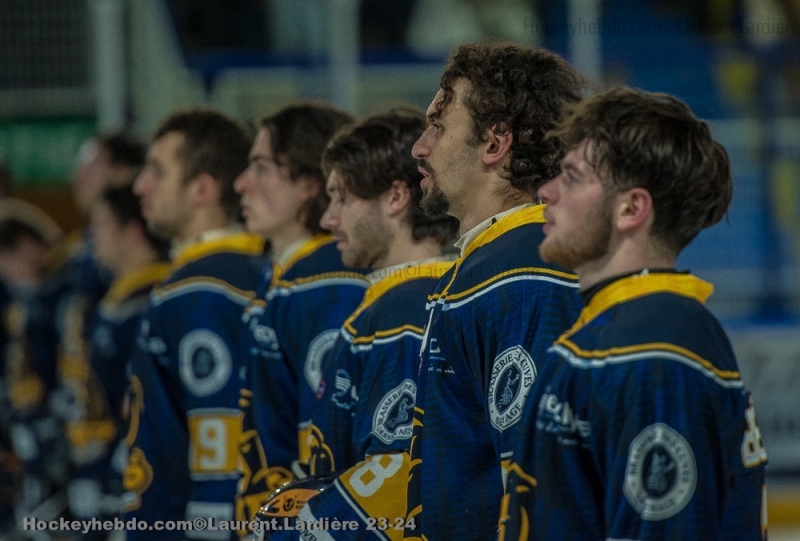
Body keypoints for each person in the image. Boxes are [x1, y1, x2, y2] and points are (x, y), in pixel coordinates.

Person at [502, 87, 768, 540]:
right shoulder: (627, 329)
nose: (546, 192)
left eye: (570, 177)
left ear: (630, 209)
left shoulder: (651, 350)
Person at [404, 42, 586, 541]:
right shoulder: (492, 265)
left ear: (494, 143)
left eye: (438, 127)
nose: (420, 147)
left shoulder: (519, 275)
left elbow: (535, 485)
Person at [264, 109, 459, 541]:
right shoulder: (403, 301)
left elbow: (392, 475)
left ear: (395, 198)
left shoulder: (403, 313)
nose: (328, 218)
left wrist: (298, 533)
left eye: (342, 198)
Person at [123, 109, 264, 540]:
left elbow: (215, 454)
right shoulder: (263, 269)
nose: (139, 186)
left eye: (157, 172)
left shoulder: (195, 291)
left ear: (202, 189)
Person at [233, 103, 369, 528]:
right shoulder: (286, 275)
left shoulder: (323, 283)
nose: (241, 183)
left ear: (310, 184)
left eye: (261, 167)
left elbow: (324, 451)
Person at [65, 184, 170, 530]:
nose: (92, 235)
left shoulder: (152, 300)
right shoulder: (115, 297)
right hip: (99, 469)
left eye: (102, 224)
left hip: (131, 474)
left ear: (133, 231)